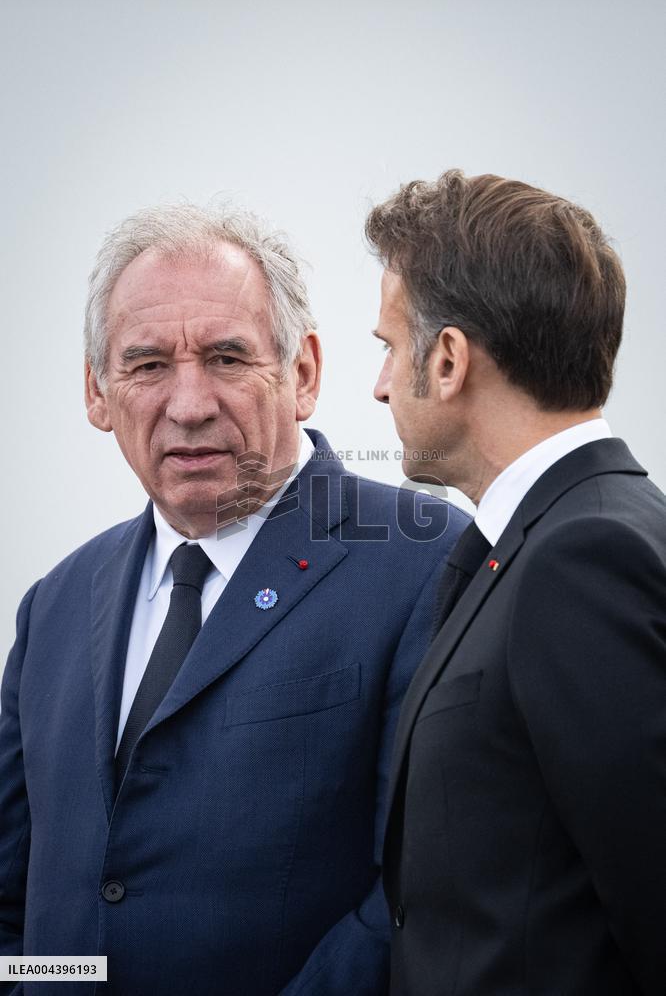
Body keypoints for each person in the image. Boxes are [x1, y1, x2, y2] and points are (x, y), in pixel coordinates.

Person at [0, 204, 469, 996]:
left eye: (226, 358)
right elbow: (18, 901)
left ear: (304, 374)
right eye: (147, 365)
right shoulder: (54, 603)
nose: (189, 404)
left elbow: (421, 891)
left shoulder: (426, 561)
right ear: (97, 392)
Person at [367, 170, 666, 995]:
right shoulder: (552, 537)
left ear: (451, 359)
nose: (382, 384)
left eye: (389, 346)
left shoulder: (584, 558)